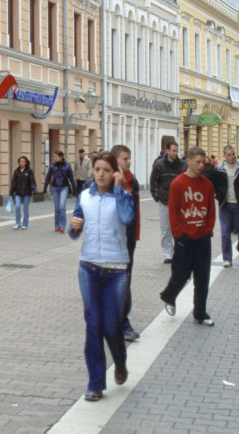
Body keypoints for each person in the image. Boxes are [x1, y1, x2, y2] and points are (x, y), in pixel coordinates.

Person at [68, 151, 136, 402]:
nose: (100, 174)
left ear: (115, 173)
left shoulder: (125, 196)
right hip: (88, 268)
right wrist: (73, 228)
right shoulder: (85, 196)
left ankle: (119, 361)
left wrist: (118, 189)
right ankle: (95, 383)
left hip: (116, 269)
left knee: (111, 324)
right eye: (97, 169)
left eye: (106, 170)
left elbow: (127, 219)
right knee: (93, 324)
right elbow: (74, 229)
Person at [159, 146, 218, 327]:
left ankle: (200, 312)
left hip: (202, 237)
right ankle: (169, 295)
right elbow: (174, 212)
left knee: (202, 276)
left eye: (204, 162)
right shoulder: (178, 184)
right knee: (181, 274)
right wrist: (179, 234)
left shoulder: (207, 184)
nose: (202, 166)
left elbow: (210, 210)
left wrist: (208, 230)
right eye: (198, 162)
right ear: (189, 161)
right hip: (184, 237)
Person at [112, 145, 141, 342]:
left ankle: (122, 321)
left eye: (129, 159)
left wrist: (135, 235)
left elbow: (135, 212)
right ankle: (116, 322)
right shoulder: (106, 181)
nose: (128, 162)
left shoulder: (132, 181)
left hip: (128, 239)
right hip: (112, 240)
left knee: (125, 279)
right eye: (124, 159)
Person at [212, 145, 239, 267]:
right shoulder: (218, 169)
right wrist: (218, 195)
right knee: (225, 232)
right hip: (225, 205)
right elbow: (213, 184)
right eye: (229, 154)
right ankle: (227, 259)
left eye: (233, 154)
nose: (232, 157)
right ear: (224, 155)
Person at [149, 140, 186, 264]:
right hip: (164, 200)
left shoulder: (182, 165)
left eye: (177, 151)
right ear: (167, 151)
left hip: (179, 202)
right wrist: (155, 195)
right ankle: (167, 254)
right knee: (165, 229)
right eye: (173, 151)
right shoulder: (159, 165)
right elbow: (153, 180)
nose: (175, 153)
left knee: (180, 227)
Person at [44, 150, 76, 233]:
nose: (54, 158)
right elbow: (48, 176)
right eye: (54, 156)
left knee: (62, 206)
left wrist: (74, 188)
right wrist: (45, 187)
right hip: (54, 187)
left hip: (64, 187)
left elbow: (71, 178)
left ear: (61, 157)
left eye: (56, 156)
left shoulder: (67, 165)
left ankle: (62, 225)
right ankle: (57, 225)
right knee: (57, 207)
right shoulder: (52, 166)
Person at [9, 155, 37, 230]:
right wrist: (11, 193)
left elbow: (32, 181)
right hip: (18, 193)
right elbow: (13, 183)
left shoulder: (29, 171)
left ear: (26, 162)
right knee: (17, 206)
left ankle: (25, 224)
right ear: (19, 162)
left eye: (23, 161)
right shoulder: (16, 171)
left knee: (25, 208)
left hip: (27, 193)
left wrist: (34, 188)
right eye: (20, 161)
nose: (22, 162)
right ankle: (17, 223)